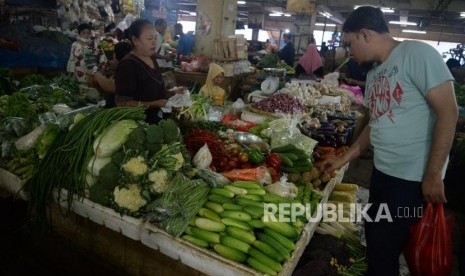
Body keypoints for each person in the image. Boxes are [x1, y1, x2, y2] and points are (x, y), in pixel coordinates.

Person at [321, 6, 458, 276]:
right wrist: (343, 159)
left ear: (364, 34)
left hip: (412, 181)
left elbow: (449, 112)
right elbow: (377, 124)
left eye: (349, 44)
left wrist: (433, 174)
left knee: (385, 249)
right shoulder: (373, 74)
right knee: (376, 240)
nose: (349, 52)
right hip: (383, 174)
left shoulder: (417, 54)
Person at [115, 19, 185, 123]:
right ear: (135, 40)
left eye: (155, 38)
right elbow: (122, 103)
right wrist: (156, 103)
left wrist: (171, 93)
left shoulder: (151, 58)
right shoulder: (128, 65)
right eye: (149, 38)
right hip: (139, 124)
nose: (154, 42)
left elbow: (153, 90)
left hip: (156, 119)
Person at [90, 41, 133, 107]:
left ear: (115, 55)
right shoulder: (129, 65)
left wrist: (95, 71)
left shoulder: (126, 70)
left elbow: (109, 87)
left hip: (120, 111)